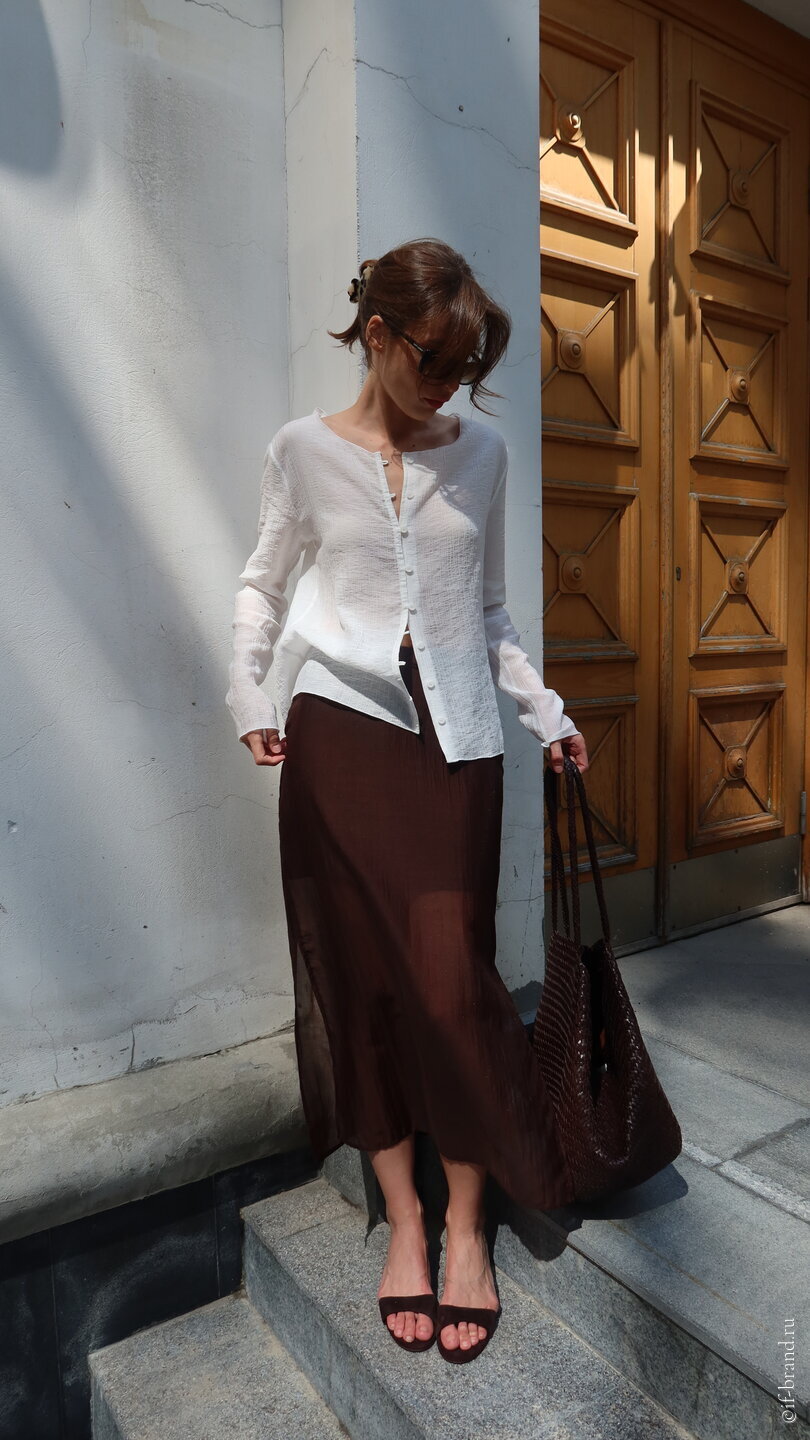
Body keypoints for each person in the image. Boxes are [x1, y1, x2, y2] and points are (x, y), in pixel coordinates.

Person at [226, 237, 589, 1365]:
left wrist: (546, 712)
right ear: (376, 335)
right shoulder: (300, 450)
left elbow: (491, 612)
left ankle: (470, 1227)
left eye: (465, 367)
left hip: (456, 742)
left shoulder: (483, 455)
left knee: (452, 982)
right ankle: (409, 1220)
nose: (448, 386)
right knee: (362, 978)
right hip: (339, 739)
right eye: (432, 360)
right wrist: (249, 690)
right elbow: (261, 585)